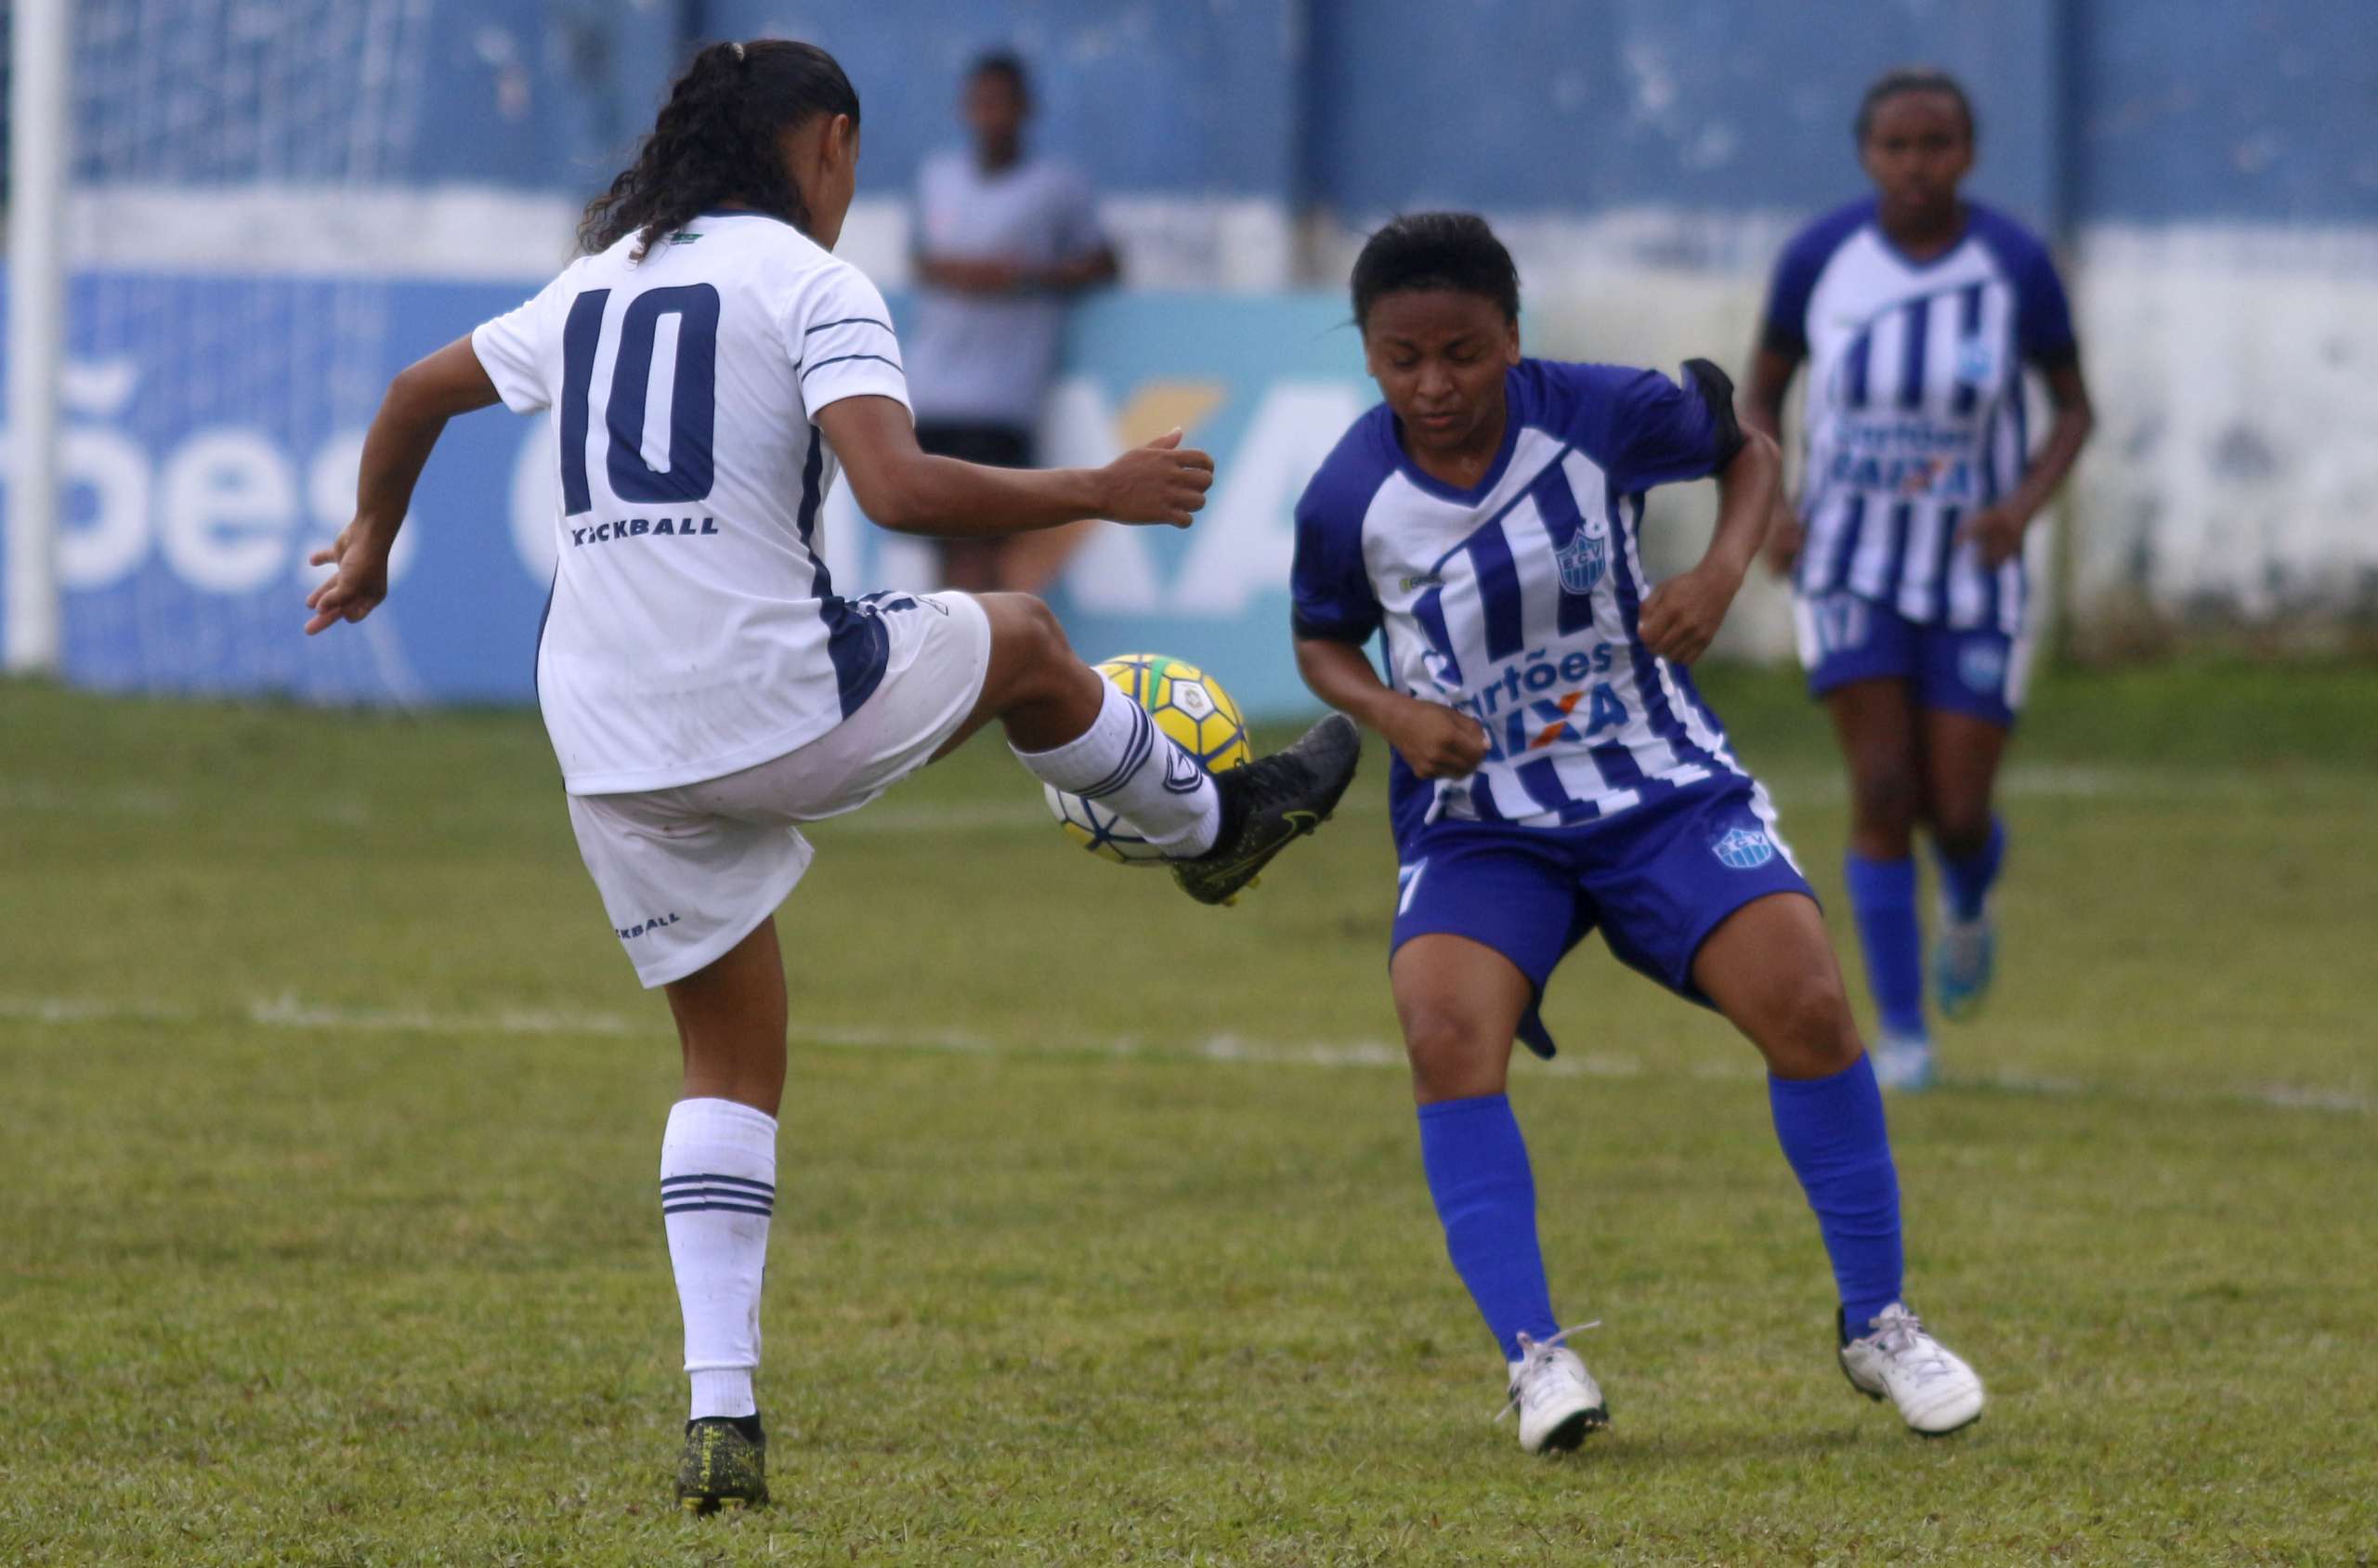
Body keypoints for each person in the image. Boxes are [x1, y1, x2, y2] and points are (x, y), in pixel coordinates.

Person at [303, 38, 1359, 1513]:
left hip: (607, 740)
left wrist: (371, 543)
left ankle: (720, 1419)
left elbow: (418, 390)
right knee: (1030, 636)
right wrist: (1097, 489)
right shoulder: (811, 279)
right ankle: (1213, 820)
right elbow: (902, 489)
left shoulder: (599, 275)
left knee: (726, 1063)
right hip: (770, 694)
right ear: (832, 144)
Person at [1290, 213, 1984, 1455]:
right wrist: (1392, 710)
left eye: (1464, 352)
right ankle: (1534, 1358)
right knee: (1444, 1031)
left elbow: (1750, 449)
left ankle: (1879, 1321)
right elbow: (1322, 641)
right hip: (1482, 820)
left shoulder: (1602, 412)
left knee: (1812, 1005)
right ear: (1369, 354)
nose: (1436, 384)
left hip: (1658, 785)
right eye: (1403, 359)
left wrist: (1721, 570)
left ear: (1513, 337)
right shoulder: (1349, 491)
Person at [1744, 68, 2095, 1091]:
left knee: (1955, 808)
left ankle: (1972, 890)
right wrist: (1774, 505)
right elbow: (1761, 390)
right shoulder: (1822, 258)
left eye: (1935, 144)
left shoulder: (2013, 263)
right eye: (1895, 146)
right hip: (1848, 560)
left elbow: (2074, 409)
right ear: (1866, 155)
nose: (1914, 164)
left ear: (1969, 155)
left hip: (1971, 568)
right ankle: (1902, 1034)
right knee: (1883, 788)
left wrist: (2019, 509)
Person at [907, 50, 1119, 595]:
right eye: (982, 103)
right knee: (942, 547)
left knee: (983, 551)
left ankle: (978, 669)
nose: (991, 116)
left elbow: (1104, 263)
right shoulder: (937, 176)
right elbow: (923, 259)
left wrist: (1024, 277)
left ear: (1025, 109)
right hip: (929, 392)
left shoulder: (1056, 188)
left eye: (1002, 103)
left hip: (1001, 401)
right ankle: (955, 667)